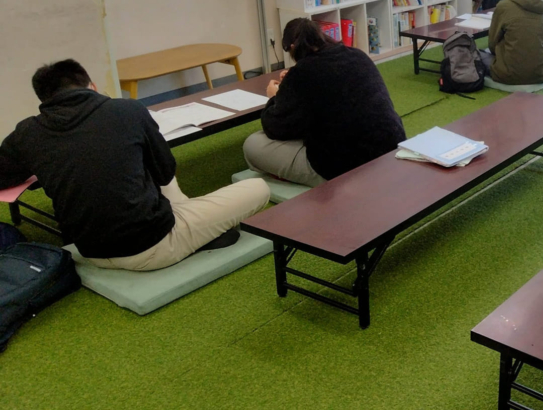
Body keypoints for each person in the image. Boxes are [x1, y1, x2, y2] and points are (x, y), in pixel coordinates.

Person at [0, 60, 270, 270]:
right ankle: (194, 236)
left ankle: (192, 226)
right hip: (151, 247)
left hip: (89, 251)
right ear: (92, 85)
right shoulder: (127, 110)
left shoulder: (27, 132)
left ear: (44, 100)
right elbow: (164, 172)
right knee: (258, 188)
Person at [243, 18, 406, 186]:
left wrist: (274, 97)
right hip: (392, 148)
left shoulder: (302, 73)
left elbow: (275, 127)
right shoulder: (358, 55)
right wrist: (291, 83)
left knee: (253, 144)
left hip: (347, 167)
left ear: (292, 47)